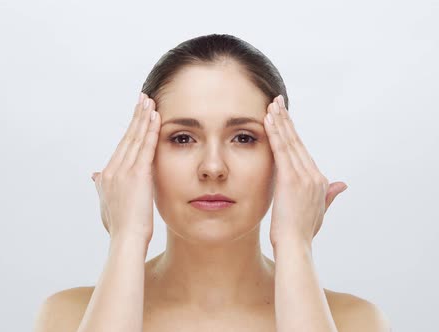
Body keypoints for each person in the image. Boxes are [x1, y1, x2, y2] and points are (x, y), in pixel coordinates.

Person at [34, 34, 391, 332]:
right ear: (144, 158)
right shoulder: (69, 317)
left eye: (244, 138)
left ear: (282, 158)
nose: (213, 168)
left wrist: (295, 246)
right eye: (183, 138)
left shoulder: (353, 322)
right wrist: (126, 238)